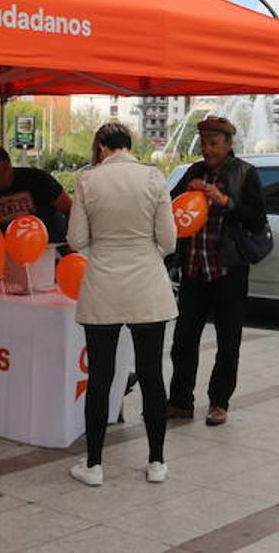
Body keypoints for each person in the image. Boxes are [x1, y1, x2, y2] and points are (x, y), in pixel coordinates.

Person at [65, 123, 177, 487]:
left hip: (104, 285)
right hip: (148, 285)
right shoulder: (153, 178)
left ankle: (95, 464)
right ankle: (157, 461)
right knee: (151, 376)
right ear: (129, 146)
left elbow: (76, 238)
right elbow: (169, 239)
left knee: (99, 376)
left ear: (100, 146)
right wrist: (145, 253)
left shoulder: (88, 180)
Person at [167, 116, 266, 427]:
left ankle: (219, 402)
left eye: (213, 143)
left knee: (228, 341)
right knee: (183, 340)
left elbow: (257, 219)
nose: (207, 149)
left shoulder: (245, 173)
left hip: (228, 270)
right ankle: (181, 401)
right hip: (195, 269)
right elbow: (174, 208)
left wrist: (225, 201)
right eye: (204, 143)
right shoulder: (194, 171)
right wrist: (185, 196)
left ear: (228, 144)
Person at [0, 146, 72, 240]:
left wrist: (70, 242)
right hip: (5, 253)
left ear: (6, 167)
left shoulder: (37, 179)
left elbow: (69, 208)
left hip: (49, 248)